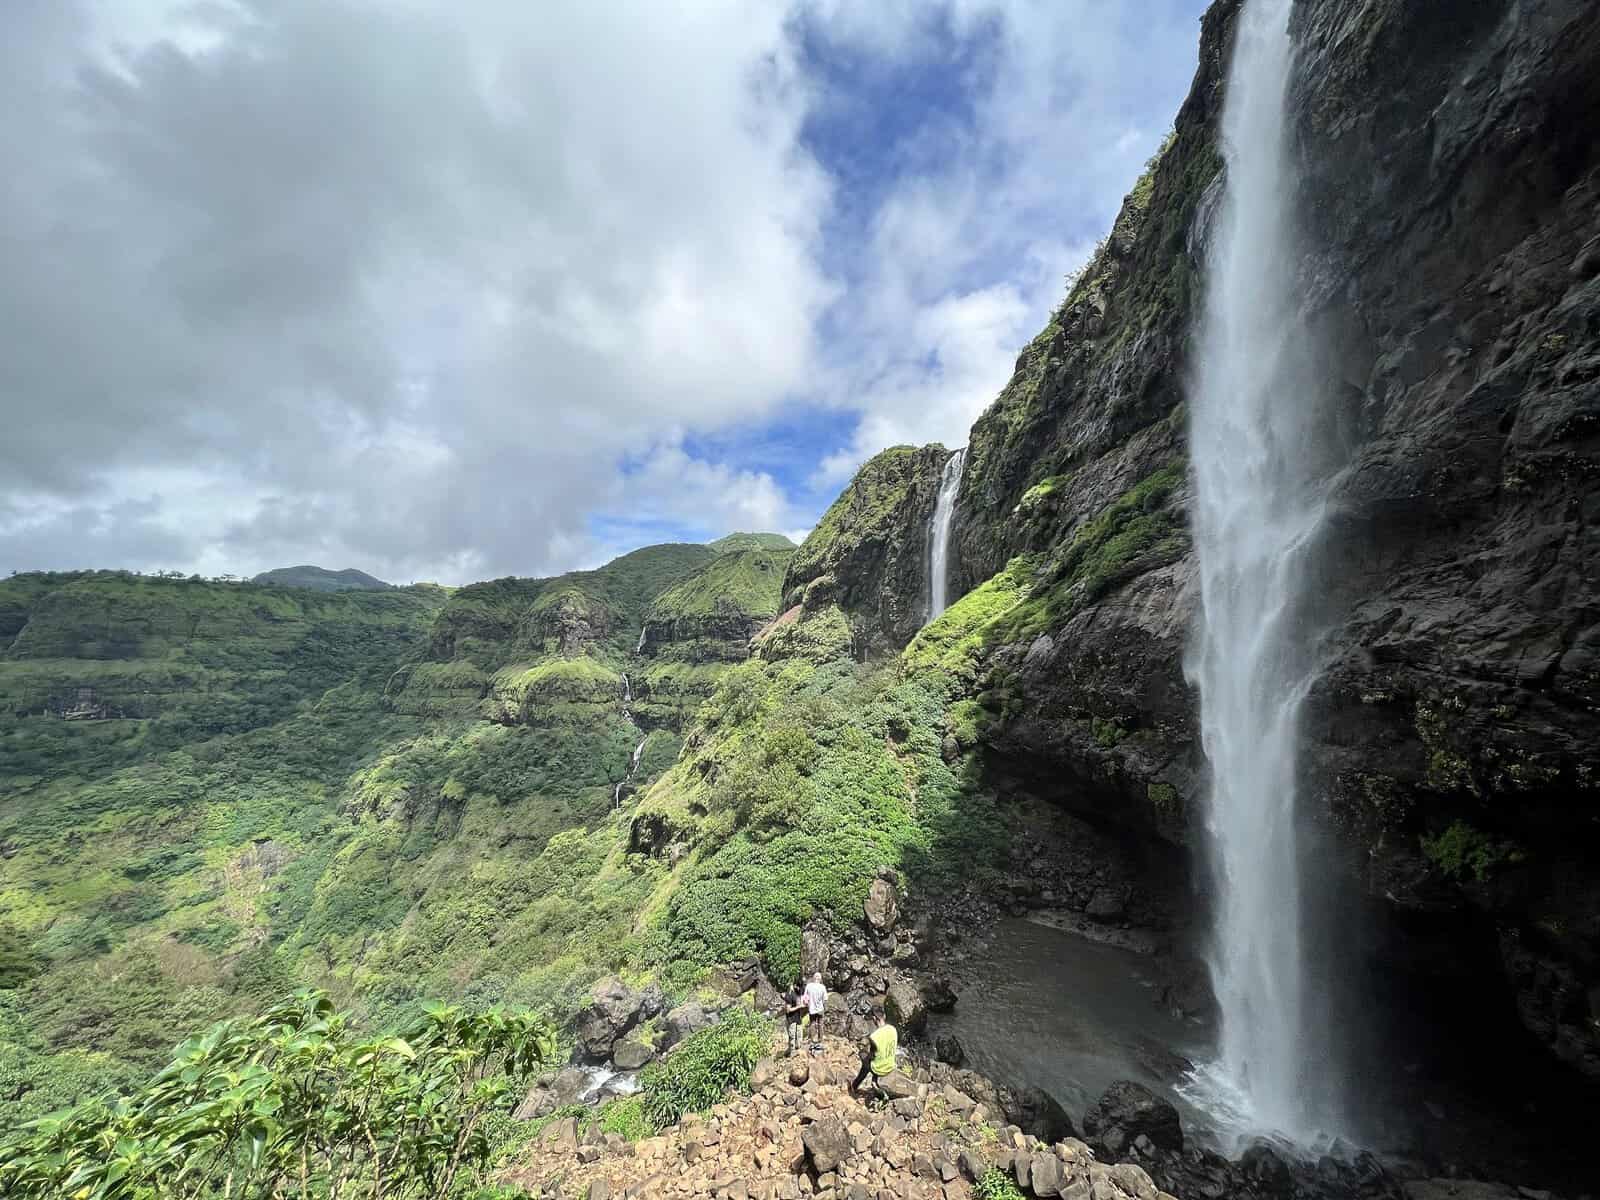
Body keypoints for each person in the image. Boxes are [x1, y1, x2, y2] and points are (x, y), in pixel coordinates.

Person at [850, 1011, 899, 1099]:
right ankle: (874, 1080)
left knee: (864, 1059)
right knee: (877, 1055)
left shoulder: (874, 1037)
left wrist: (863, 1052)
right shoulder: (893, 1029)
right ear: (884, 1016)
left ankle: (855, 1085)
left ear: (874, 1018)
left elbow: (872, 1056)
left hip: (879, 1069)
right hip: (891, 1065)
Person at [802, 972, 828, 1052]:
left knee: (812, 1023)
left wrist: (807, 1004)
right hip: (820, 1008)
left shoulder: (809, 986)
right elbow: (825, 999)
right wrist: (824, 1007)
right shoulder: (822, 987)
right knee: (820, 1024)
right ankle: (820, 1040)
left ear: (813, 978)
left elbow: (805, 997)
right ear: (820, 979)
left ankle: (812, 1040)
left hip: (811, 1008)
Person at [784, 979, 808, 1056]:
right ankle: (792, 1051)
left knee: (799, 1034)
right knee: (792, 1036)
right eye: (799, 987)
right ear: (795, 986)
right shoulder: (789, 995)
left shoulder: (798, 992)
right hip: (791, 1019)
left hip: (798, 1018)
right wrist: (798, 1007)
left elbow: (800, 1000)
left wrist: (804, 1005)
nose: (800, 990)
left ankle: (798, 1047)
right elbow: (788, 1010)